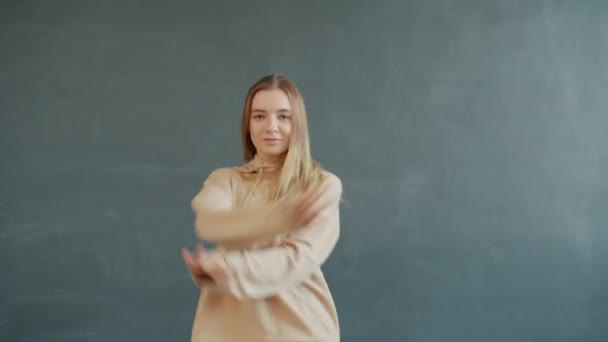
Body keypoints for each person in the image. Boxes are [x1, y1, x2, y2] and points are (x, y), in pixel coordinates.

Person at [181, 74, 343, 342]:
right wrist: (281, 219)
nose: (271, 126)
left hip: (299, 329)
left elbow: (297, 258)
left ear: (298, 124)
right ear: (247, 124)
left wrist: (227, 267)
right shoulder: (224, 179)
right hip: (227, 330)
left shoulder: (321, 185)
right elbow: (209, 223)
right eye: (259, 116)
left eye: (283, 116)